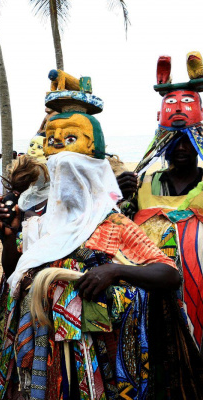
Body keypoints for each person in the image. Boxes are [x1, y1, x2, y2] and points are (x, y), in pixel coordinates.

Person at [0, 73, 203, 399]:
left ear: (92, 174)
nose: (66, 184)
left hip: (95, 362)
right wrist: (8, 238)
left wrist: (115, 271)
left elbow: (169, 274)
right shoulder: (40, 224)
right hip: (40, 351)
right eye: (59, 172)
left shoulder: (113, 226)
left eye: (75, 173)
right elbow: (12, 268)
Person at [117, 56, 203, 351]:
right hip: (149, 286)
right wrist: (122, 197)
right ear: (163, 143)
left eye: (187, 140)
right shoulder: (144, 183)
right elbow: (120, 228)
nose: (181, 147)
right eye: (174, 140)